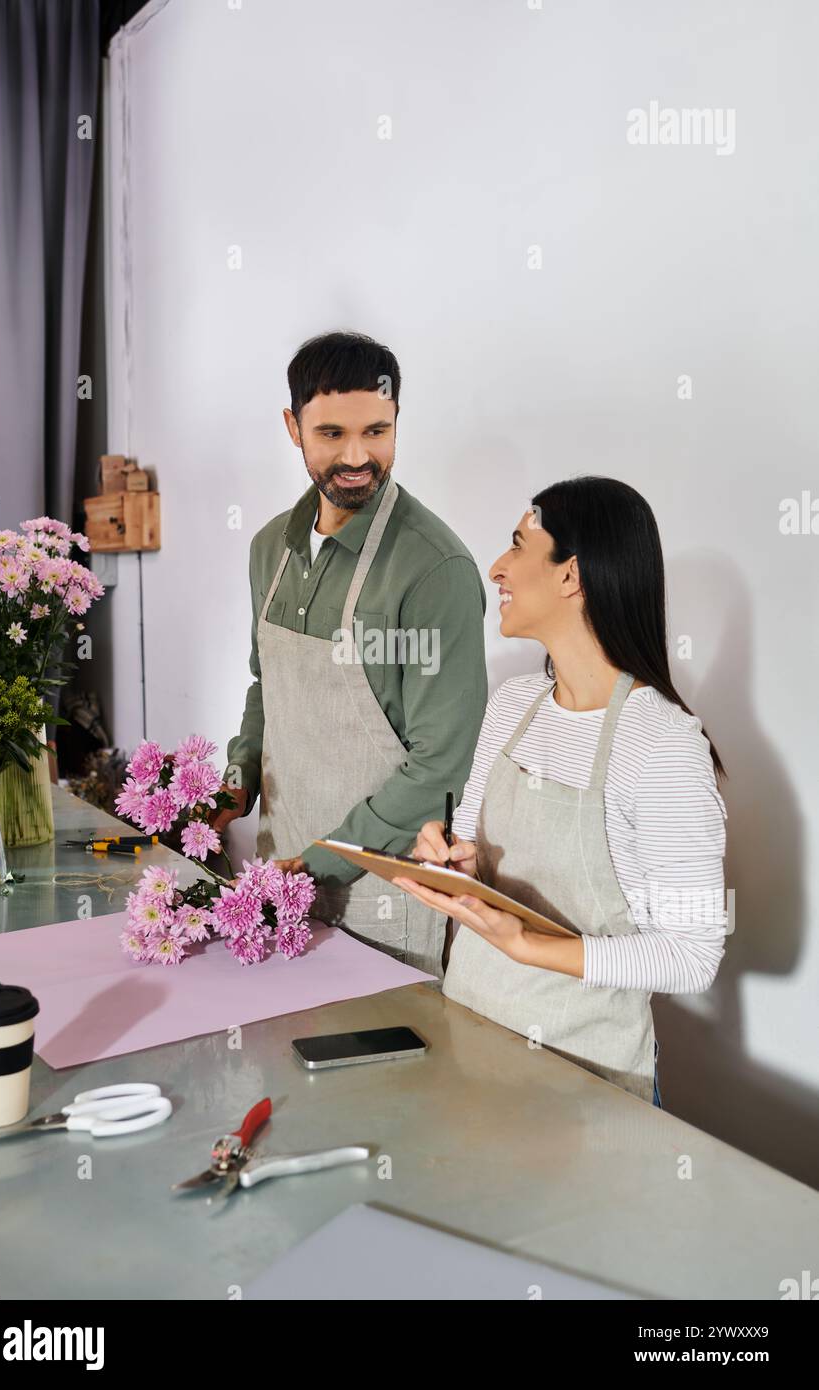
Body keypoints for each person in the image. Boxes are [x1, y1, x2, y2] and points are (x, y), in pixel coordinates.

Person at [394, 477, 728, 1104]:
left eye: (517, 546)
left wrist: (531, 945)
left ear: (571, 575)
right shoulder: (513, 704)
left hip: (585, 1079)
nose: (497, 567)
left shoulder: (662, 744)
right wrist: (452, 856)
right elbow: (470, 846)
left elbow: (692, 955)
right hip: (470, 1034)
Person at [212, 331, 488, 976]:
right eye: (332, 434)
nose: (358, 456)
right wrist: (237, 778)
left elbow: (445, 765)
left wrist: (322, 861)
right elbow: (267, 687)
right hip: (283, 866)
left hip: (385, 890)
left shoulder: (433, 569)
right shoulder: (268, 550)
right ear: (293, 427)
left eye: (378, 431)